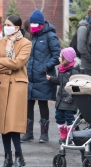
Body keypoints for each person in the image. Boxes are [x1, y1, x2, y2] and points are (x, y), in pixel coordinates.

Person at [0, 14, 32, 167]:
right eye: (5, 24)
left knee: (13, 123)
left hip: (16, 86)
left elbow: (19, 63)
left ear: (17, 27)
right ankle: (8, 158)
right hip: (0, 85)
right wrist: (7, 64)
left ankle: (19, 156)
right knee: (2, 123)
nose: (6, 27)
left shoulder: (26, 43)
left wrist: (2, 61)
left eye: (8, 24)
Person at [22, 9, 61, 143]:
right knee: (29, 103)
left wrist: (46, 66)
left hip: (44, 76)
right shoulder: (33, 36)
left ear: (41, 24)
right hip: (31, 76)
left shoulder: (50, 36)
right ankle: (28, 132)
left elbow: (57, 55)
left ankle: (44, 134)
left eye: (34, 23)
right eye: (31, 23)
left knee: (43, 103)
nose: (32, 25)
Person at [46, 47, 80, 143]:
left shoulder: (74, 72)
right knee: (59, 117)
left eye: (60, 57)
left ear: (66, 59)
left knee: (69, 118)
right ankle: (63, 134)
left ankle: (71, 135)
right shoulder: (61, 70)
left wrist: (71, 97)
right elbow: (59, 82)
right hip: (60, 100)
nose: (58, 59)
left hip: (69, 101)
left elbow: (76, 87)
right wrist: (51, 79)